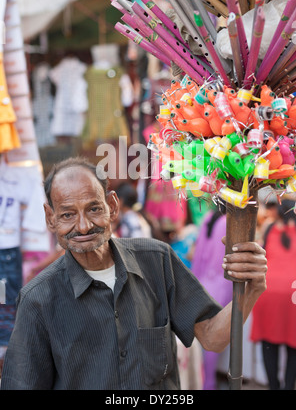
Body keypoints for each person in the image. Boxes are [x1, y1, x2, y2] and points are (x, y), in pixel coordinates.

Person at [1, 157, 267, 390]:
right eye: (68, 215)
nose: (82, 227)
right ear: (50, 218)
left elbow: (212, 336)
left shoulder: (157, 261)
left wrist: (250, 288)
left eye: (94, 209)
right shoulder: (38, 300)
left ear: (112, 206)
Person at [250, 198, 296, 390]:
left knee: (269, 343)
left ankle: (273, 386)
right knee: (295, 344)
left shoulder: (269, 229)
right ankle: (289, 386)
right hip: (295, 294)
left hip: (268, 292)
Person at [191, 206, 232, 390]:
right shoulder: (227, 222)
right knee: (215, 337)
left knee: (202, 336)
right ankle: (208, 384)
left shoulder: (209, 218)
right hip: (221, 285)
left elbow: (198, 254)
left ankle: (202, 381)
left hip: (202, 282)